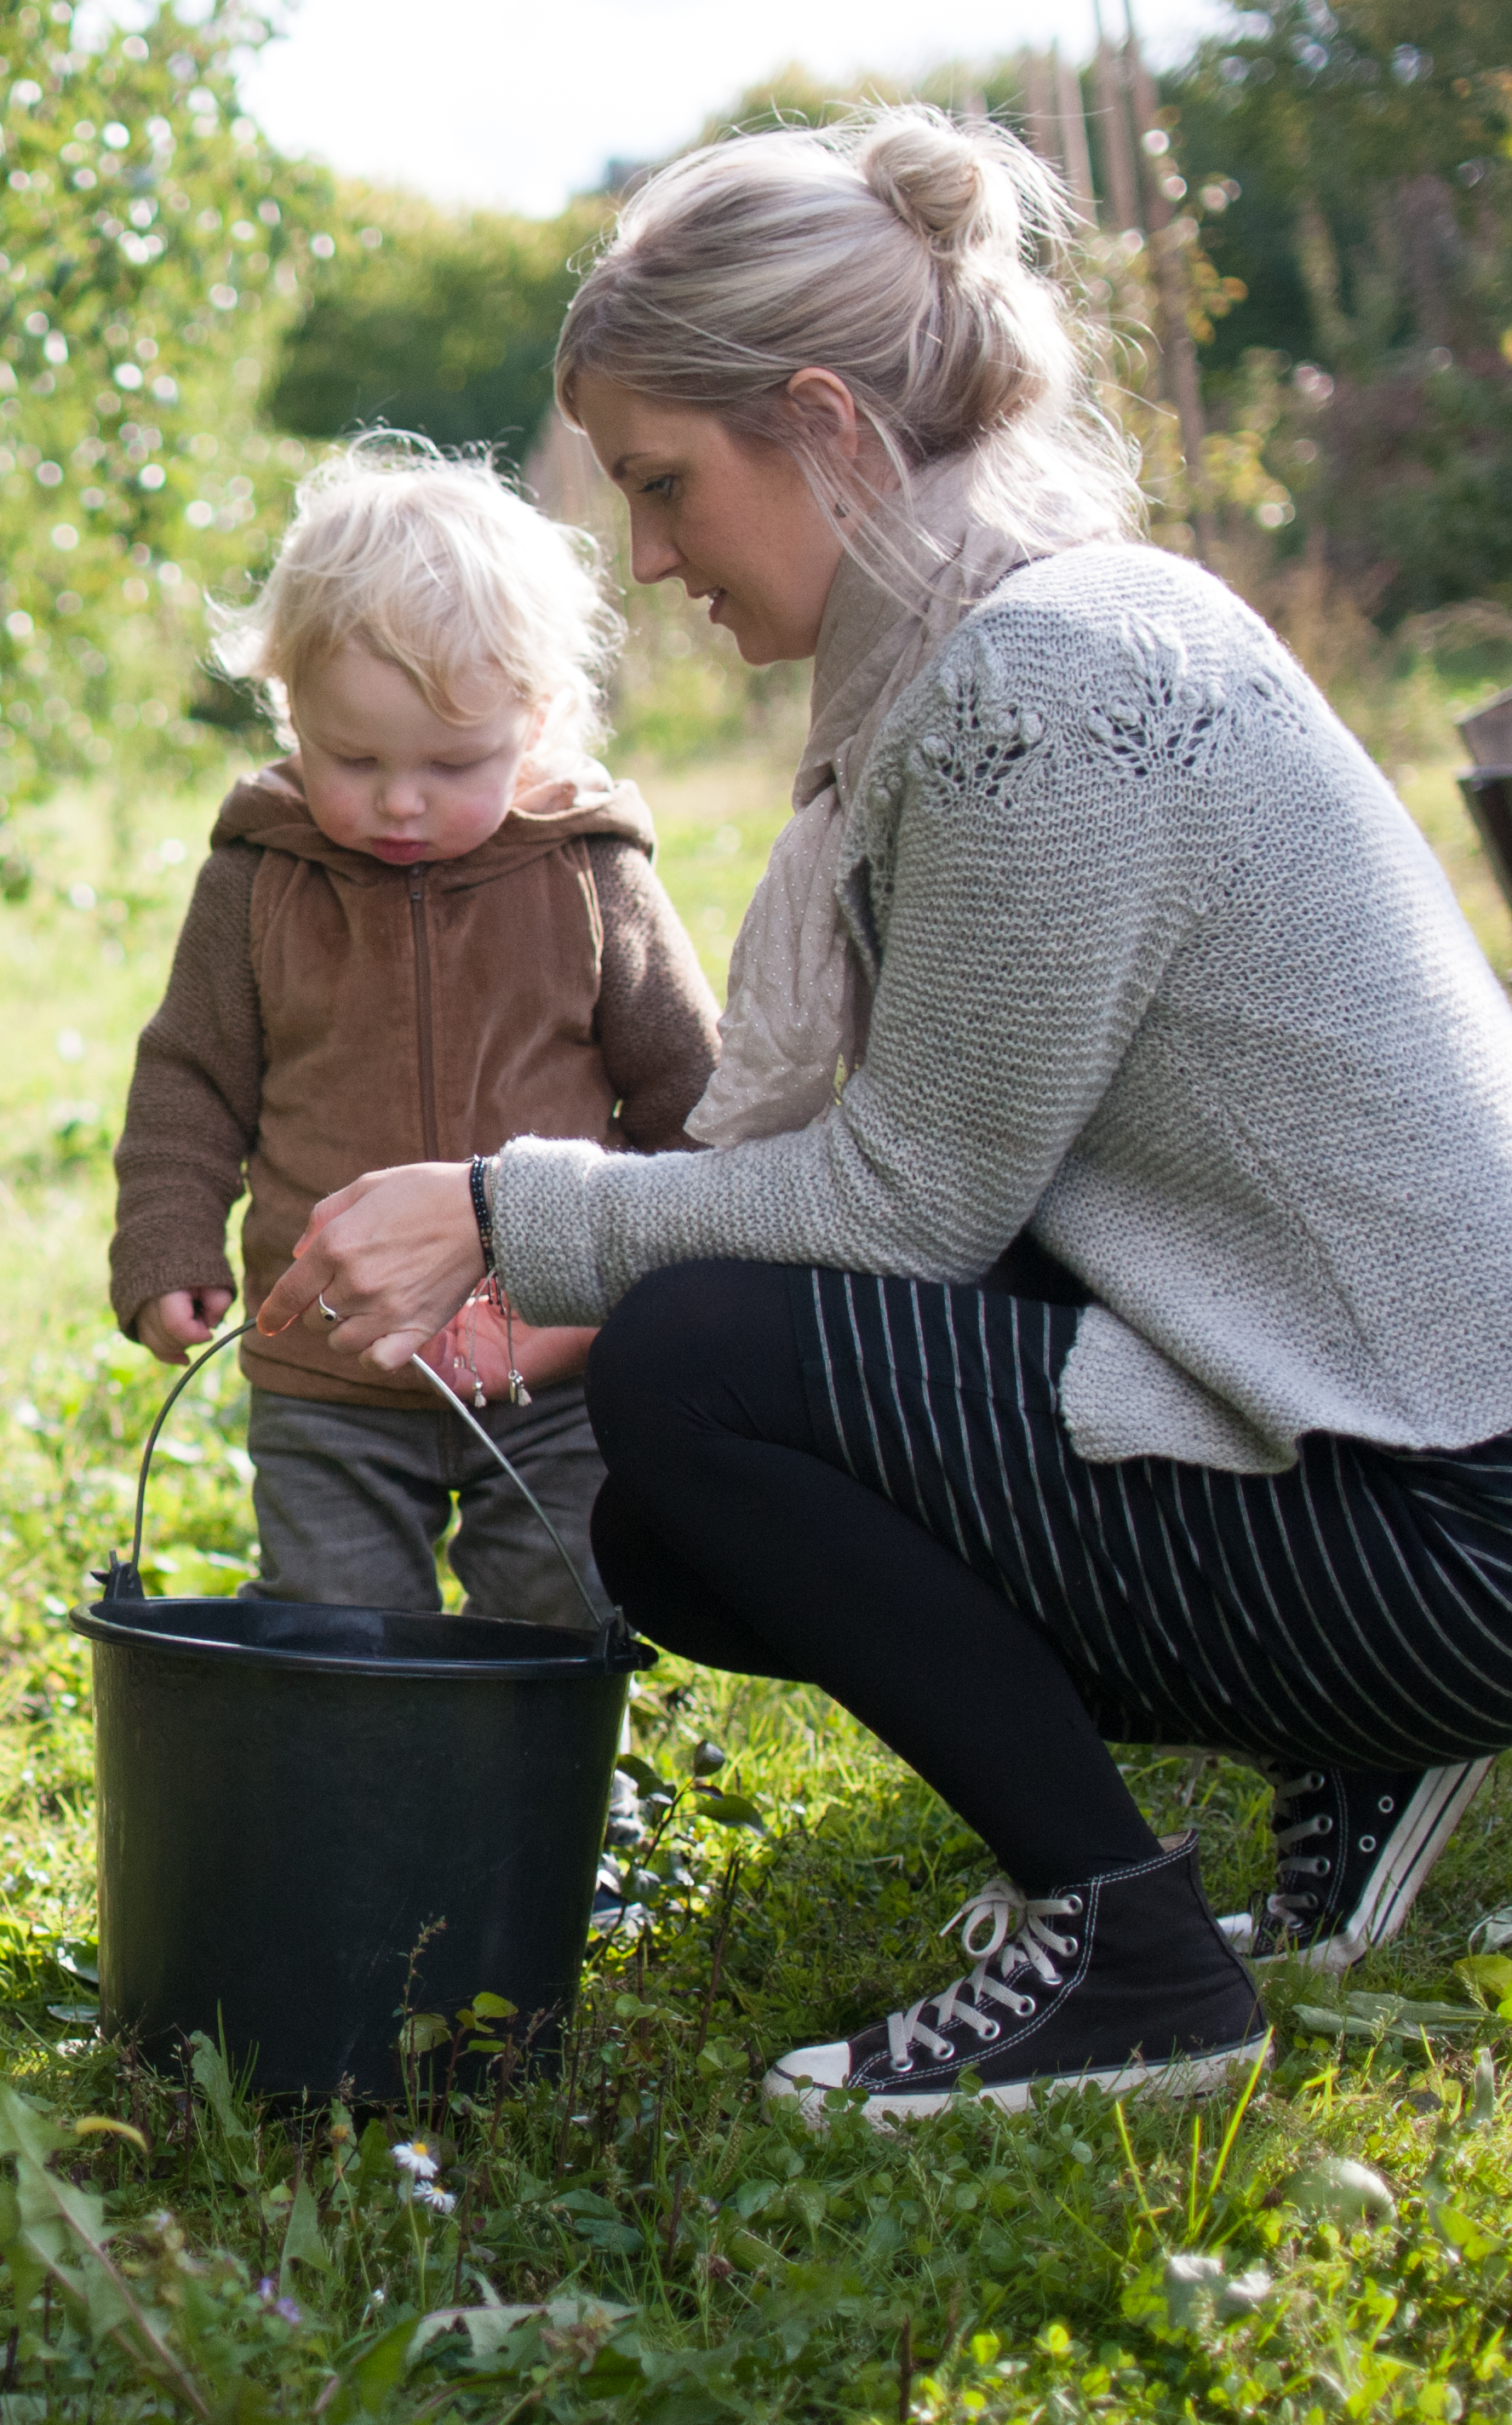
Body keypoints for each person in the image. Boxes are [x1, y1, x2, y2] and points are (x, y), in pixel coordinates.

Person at [267, 106, 1512, 2124]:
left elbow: (918, 1196)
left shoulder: (1036, 690)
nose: (648, 554)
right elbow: (991, 1177)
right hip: (1407, 1447)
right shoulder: (1048, 627)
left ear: (829, 426)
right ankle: (1348, 1741)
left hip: (1453, 1525)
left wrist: (504, 1212)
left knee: (695, 1381)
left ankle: (1124, 1949)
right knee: (666, 1505)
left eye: (665, 484)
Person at [110, 438, 720, 1628]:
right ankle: (362, 1792)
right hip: (328, 1370)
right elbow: (191, 1079)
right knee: (336, 1619)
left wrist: (653, 1281)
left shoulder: (592, 875)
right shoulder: (261, 878)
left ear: (534, 722)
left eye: (452, 764)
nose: (400, 800)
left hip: (547, 1350)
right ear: (290, 707)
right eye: (355, 759)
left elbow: (687, 1090)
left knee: (561, 1599)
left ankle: (544, 1793)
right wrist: (166, 1240)